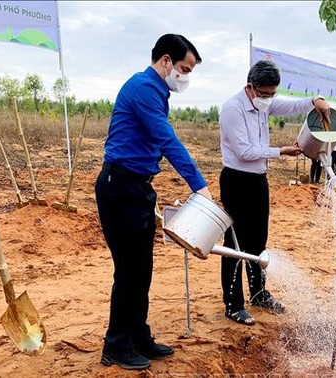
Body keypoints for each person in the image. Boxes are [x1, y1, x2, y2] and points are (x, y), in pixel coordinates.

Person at [95, 34, 212, 370]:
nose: (185, 76)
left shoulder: (157, 92)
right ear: (165, 61)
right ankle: (115, 345)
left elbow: (157, 143)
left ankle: (138, 335)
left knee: (142, 269)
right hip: (120, 188)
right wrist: (199, 187)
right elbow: (167, 139)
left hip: (138, 189)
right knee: (129, 271)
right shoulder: (144, 89)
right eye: (183, 69)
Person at [219, 60, 331, 326]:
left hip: (258, 180)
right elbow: (245, 152)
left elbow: (293, 106)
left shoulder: (264, 104)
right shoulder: (232, 109)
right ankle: (232, 304)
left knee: (258, 239)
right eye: (264, 94)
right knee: (235, 244)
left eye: (272, 94)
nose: (269, 99)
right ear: (250, 86)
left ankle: (258, 293)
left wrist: (316, 100)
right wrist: (280, 151)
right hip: (237, 180)